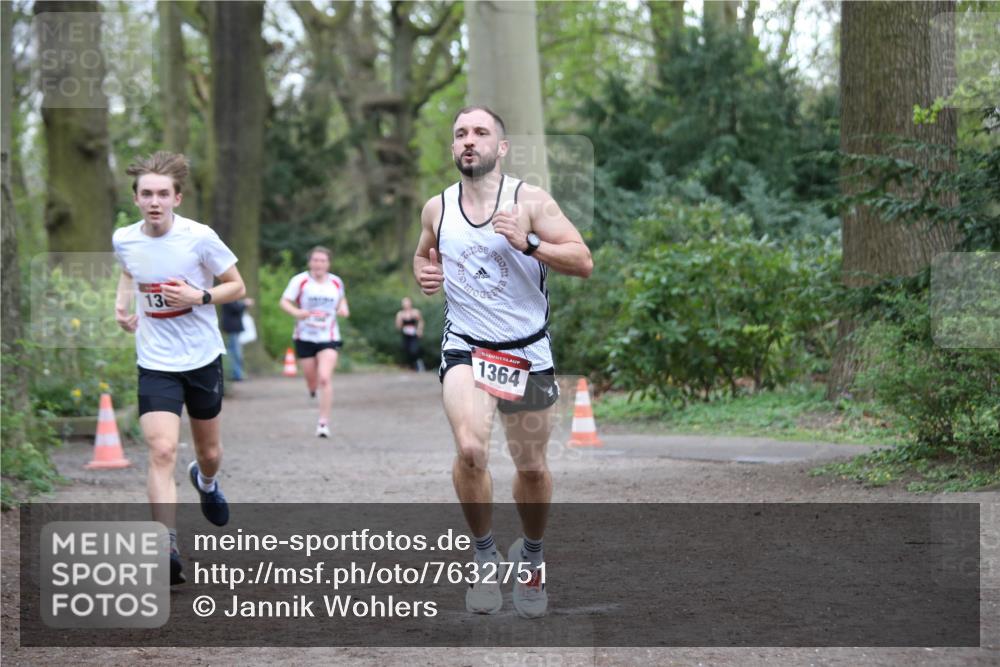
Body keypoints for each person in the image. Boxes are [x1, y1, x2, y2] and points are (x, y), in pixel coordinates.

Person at [413, 106, 593, 618]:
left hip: (526, 350)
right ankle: (485, 556)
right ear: (453, 148)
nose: (469, 141)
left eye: (480, 133)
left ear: (502, 146)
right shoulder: (437, 208)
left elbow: (583, 260)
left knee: (531, 468)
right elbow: (424, 254)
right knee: (471, 448)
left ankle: (531, 557)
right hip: (466, 345)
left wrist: (530, 242)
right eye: (461, 134)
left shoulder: (530, 201)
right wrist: (425, 274)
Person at [113, 151, 245, 586]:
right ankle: (165, 542)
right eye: (147, 194)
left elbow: (236, 286)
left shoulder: (199, 237)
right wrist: (123, 302)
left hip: (202, 357)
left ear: (177, 198)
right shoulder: (124, 239)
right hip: (155, 361)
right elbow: (130, 271)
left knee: (208, 453)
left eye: (162, 194)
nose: (154, 201)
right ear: (136, 199)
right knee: (162, 450)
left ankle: (206, 482)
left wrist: (200, 297)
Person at [279, 246, 350, 438]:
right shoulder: (300, 281)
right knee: (312, 380)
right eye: (315, 260)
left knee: (324, 378)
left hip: (329, 337)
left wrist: (343, 308)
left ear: (328, 263)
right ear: (310, 262)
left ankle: (323, 423)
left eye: (322, 260)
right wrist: (296, 312)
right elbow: (284, 301)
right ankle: (312, 389)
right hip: (305, 336)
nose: (318, 264)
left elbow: (341, 300)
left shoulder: (335, 281)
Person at [220, 297, 254, 381]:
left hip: (234, 328)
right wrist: (245, 304)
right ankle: (237, 374)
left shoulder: (231, 298)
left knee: (234, 351)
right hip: (232, 329)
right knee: (235, 352)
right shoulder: (228, 298)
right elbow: (236, 308)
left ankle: (237, 373)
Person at [394, 297, 425, 371]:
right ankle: (412, 366)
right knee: (406, 350)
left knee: (414, 350)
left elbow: (421, 321)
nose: (405, 304)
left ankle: (419, 365)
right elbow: (398, 327)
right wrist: (399, 321)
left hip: (414, 335)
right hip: (405, 335)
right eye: (404, 302)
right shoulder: (400, 314)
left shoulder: (415, 312)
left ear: (410, 303)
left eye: (407, 302)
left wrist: (419, 330)